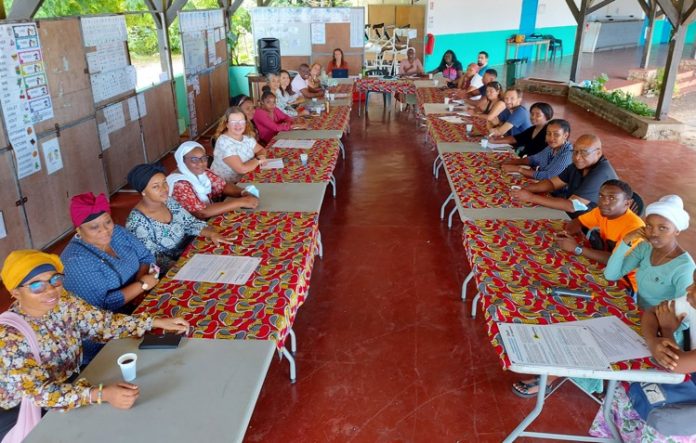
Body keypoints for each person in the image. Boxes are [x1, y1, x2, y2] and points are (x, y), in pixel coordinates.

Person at [0, 250, 189, 440]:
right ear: (16, 292)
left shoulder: (63, 301)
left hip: (70, 385)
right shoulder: (9, 338)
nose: (50, 290)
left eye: (54, 279)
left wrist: (153, 322)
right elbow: (41, 393)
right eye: (36, 286)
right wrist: (101, 394)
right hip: (25, 411)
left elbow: (102, 325)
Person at [512, 180, 646, 398]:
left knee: (572, 313)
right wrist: (570, 232)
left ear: (628, 203)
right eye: (602, 196)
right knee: (545, 287)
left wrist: (577, 249)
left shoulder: (634, 229)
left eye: (612, 198)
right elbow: (577, 223)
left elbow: (617, 264)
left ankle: (550, 376)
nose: (604, 201)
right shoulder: (603, 212)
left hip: (623, 287)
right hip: (601, 272)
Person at [590, 274, 696, 440]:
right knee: (624, 387)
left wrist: (666, 330)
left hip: (689, 406)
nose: (689, 288)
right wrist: (653, 341)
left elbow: (676, 364)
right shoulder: (691, 301)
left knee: (665, 422)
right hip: (687, 379)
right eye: (693, 281)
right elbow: (651, 313)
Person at [61, 192, 160, 364]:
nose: (105, 230)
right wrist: (142, 285)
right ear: (78, 229)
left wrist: (141, 280)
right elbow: (101, 307)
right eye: (94, 227)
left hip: (139, 307)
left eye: (107, 221)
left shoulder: (118, 233)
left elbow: (146, 256)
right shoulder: (76, 260)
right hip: (105, 335)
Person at [125, 164, 235, 273]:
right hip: (172, 269)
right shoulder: (136, 222)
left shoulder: (168, 201)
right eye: (155, 186)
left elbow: (190, 223)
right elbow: (152, 258)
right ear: (143, 191)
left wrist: (211, 233)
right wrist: (184, 267)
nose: (164, 189)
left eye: (164, 182)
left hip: (190, 253)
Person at [605, 195, 695, 309]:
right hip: (637, 310)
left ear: (677, 231)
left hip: (658, 323)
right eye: (649, 226)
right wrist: (626, 240)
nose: (653, 233)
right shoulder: (645, 248)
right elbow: (611, 275)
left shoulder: (684, 268)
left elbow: (683, 315)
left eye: (662, 228)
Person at [511, 134, 618, 218]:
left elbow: (572, 206)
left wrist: (531, 197)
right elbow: (552, 183)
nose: (577, 157)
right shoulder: (578, 165)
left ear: (598, 153)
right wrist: (526, 189)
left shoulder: (601, 173)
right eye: (575, 152)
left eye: (584, 153)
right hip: (571, 215)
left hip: (591, 225)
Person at [167, 141, 259, 219]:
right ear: (182, 161)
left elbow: (222, 186)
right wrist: (241, 202)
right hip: (193, 231)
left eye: (204, 158)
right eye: (194, 159)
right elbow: (201, 213)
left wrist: (243, 192)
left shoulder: (202, 172)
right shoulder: (179, 184)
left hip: (209, 217)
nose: (201, 163)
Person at [500, 118, 573, 180]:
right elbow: (533, 159)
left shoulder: (567, 154)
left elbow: (548, 176)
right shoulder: (550, 148)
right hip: (541, 184)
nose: (551, 138)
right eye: (548, 133)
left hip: (555, 193)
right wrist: (511, 162)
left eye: (556, 134)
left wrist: (519, 169)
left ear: (565, 135)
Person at [211, 107, 268, 183]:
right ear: (227, 124)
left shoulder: (247, 138)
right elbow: (242, 169)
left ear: (246, 123)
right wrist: (258, 160)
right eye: (233, 122)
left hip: (246, 179)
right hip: (227, 186)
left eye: (241, 121)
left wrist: (261, 156)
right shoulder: (223, 142)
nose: (238, 125)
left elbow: (261, 150)